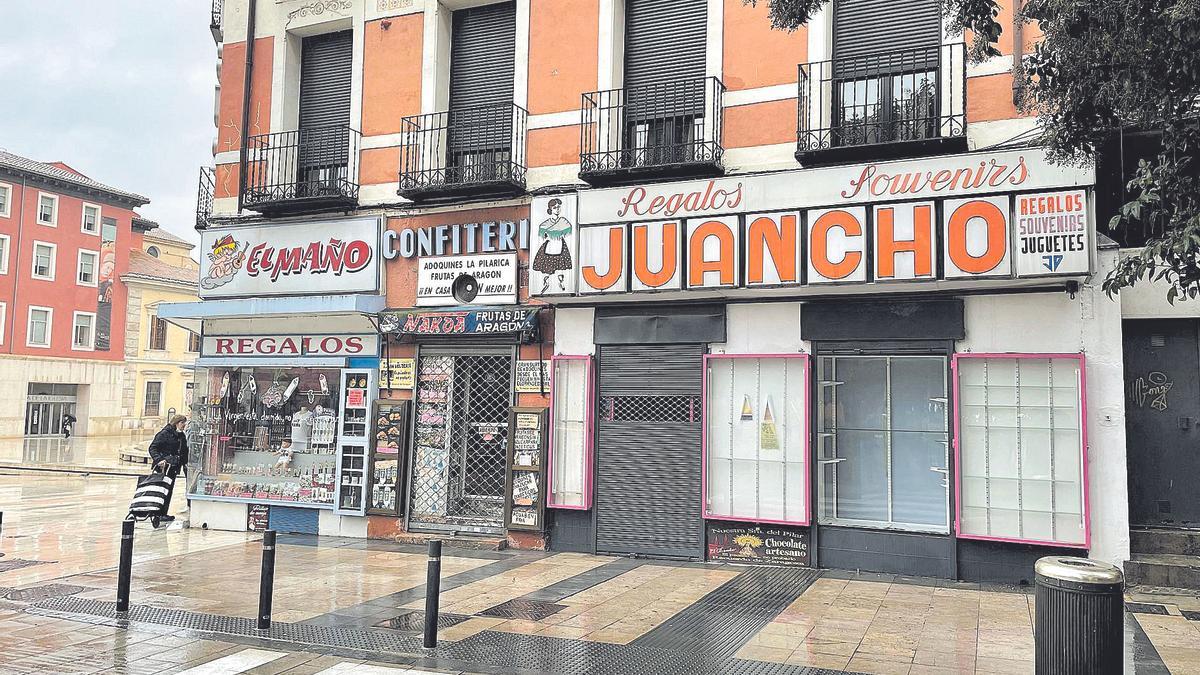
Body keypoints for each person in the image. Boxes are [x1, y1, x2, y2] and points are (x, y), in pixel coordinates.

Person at [147, 414, 188, 526]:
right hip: (163, 468)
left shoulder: (181, 436)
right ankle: (157, 513)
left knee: (168, 491)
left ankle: (163, 513)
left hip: (173, 468)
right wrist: (159, 459)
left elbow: (184, 452)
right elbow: (152, 448)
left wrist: (185, 464)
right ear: (176, 423)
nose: (184, 425)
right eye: (182, 423)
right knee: (161, 490)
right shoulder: (164, 434)